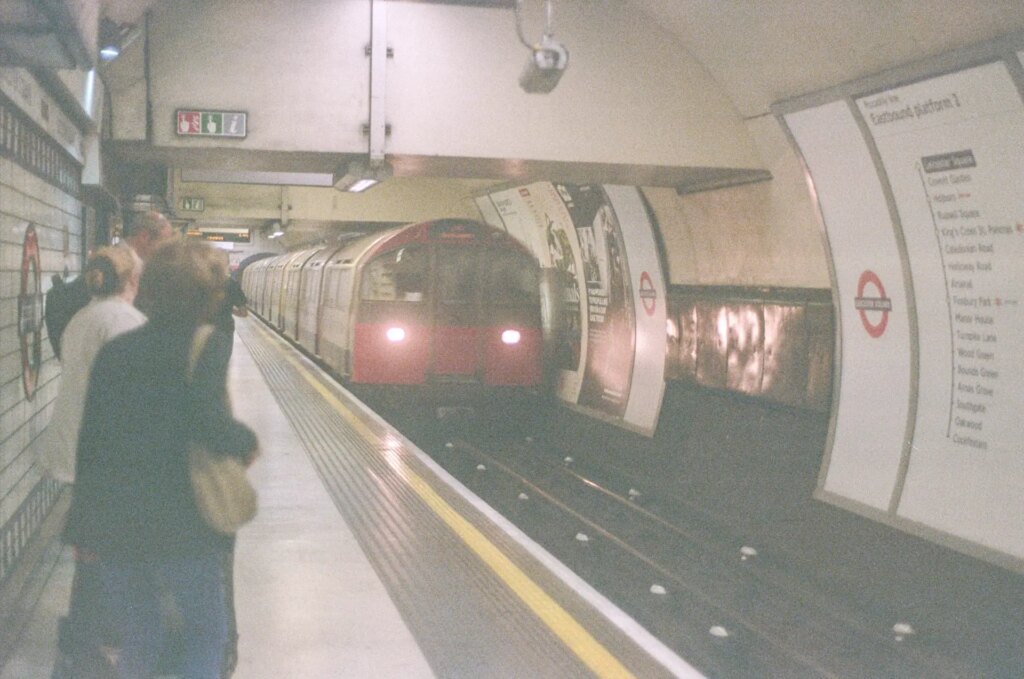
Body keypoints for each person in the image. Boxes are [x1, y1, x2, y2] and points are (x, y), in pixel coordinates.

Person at [64, 240, 258, 679]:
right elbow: (205, 420)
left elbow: (92, 442)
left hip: (117, 521)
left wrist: (84, 524)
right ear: (207, 295)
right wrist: (244, 440)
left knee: (140, 633)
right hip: (183, 519)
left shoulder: (117, 351)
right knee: (204, 633)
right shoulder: (206, 344)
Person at [42, 248, 146, 677]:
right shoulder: (124, 322)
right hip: (104, 455)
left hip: (79, 448)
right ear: (130, 281)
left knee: (93, 547)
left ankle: (83, 639)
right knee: (109, 551)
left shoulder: (85, 317)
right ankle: (97, 642)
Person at [45, 210, 175, 359]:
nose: (166, 251)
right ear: (144, 236)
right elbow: (62, 299)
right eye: (164, 243)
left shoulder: (135, 268)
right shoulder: (109, 266)